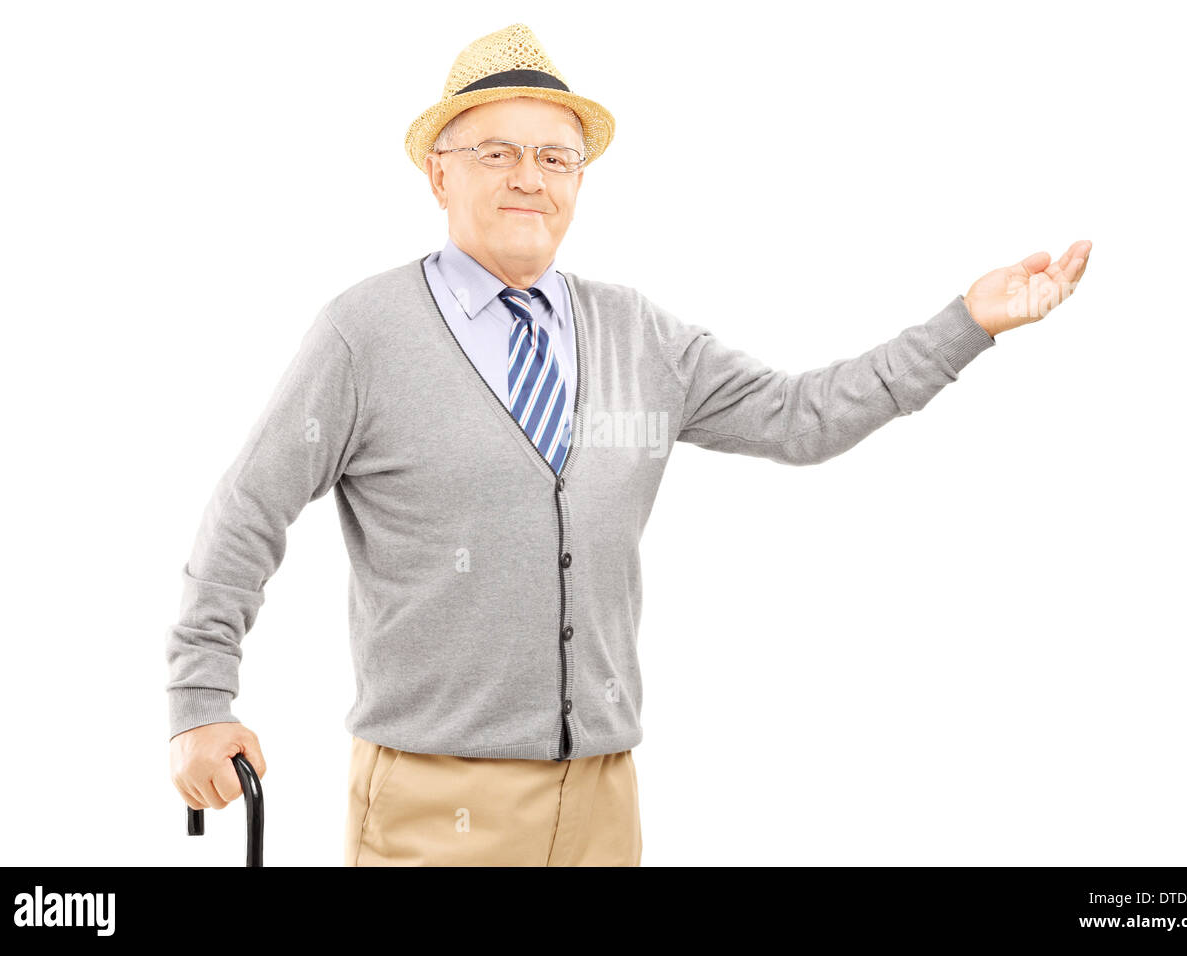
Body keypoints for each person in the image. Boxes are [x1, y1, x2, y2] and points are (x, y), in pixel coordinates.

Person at [165, 23, 1092, 866]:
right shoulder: (364, 333)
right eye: (498, 151)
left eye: (556, 157)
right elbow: (248, 510)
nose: (531, 177)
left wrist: (969, 323)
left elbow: (805, 417)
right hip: (433, 796)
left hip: (606, 795)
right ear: (438, 173)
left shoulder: (638, 335)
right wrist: (201, 702)